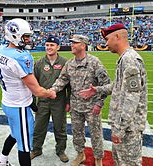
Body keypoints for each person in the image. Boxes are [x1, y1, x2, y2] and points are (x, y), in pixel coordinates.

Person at [79, 23, 148, 166]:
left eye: (107, 39)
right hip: (125, 126)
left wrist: (120, 129)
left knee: (128, 163)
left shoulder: (129, 59)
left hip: (129, 128)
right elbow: (117, 87)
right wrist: (96, 90)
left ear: (117, 36)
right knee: (120, 161)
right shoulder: (124, 58)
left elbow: (132, 97)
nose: (106, 44)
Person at [0, 18, 55, 166]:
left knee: (15, 134)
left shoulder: (0, 50)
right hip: (19, 106)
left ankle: (1, 161)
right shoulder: (21, 57)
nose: (28, 39)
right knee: (25, 146)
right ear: (14, 35)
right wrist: (50, 93)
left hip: (8, 102)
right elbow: (37, 91)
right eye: (25, 36)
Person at [51, 34, 111, 166]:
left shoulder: (94, 62)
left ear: (83, 45)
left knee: (96, 135)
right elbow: (62, 80)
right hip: (75, 106)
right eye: (72, 42)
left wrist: (99, 104)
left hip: (92, 107)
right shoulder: (69, 63)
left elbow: (106, 85)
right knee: (77, 133)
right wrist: (52, 90)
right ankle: (80, 155)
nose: (72, 45)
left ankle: (98, 159)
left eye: (75, 43)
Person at [30, 35, 70, 162]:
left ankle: (60, 150)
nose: (49, 47)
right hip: (43, 102)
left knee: (60, 127)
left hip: (59, 101)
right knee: (39, 127)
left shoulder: (65, 62)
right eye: (47, 45)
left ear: (58, 47)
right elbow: (33, 83)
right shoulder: (39, 63)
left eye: (52, 45)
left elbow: (70, 85)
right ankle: (36, 149)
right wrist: (32, 101)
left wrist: (68, 102)